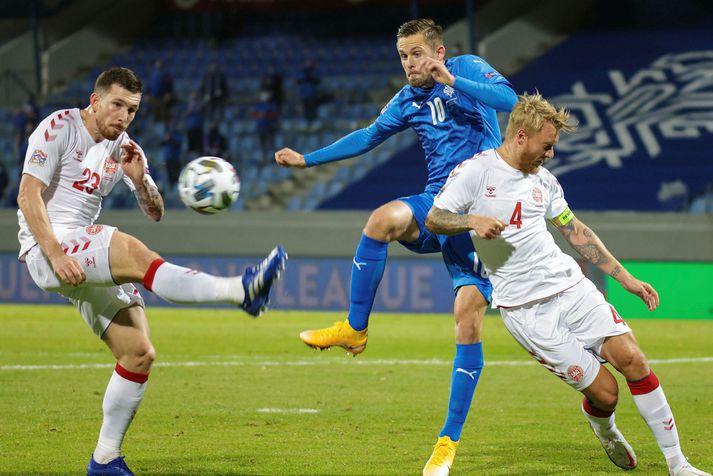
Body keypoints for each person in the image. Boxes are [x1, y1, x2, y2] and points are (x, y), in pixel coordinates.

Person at [16, 67, 288, 476]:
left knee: (138, 353)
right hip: (50, 247)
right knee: (134, 253)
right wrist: (55, 253)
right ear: (95, 101)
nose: (124, 117)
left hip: (79, 254)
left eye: (132, 109)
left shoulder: (122, 146)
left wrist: (141, 182)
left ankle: (105, 460)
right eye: (117, 106)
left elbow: (155, 213)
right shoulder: (59, 127)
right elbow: (26, 194)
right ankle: (240, 290)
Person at [275, 18, 517, 475]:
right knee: (381, 220)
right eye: (403, 56)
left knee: (467, 323)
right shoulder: (408, 99)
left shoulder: (466, 68)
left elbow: (511, 102)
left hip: (485, 210)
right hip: (437, 209)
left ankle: (447, 442)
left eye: (417, 54)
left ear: (439, 52)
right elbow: (367, 137)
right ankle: (355, 327)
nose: (410, 64)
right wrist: (307, 159)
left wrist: (452, 79)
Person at [426, 92, 710, 476]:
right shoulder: (476, 173)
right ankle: (604, 427)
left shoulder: (544, 181)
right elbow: (435, 217)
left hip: (571, 289)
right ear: (522, 136)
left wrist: (625, 278)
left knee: (634, 360)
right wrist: (470, 221)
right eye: (547, 146)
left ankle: (679, 465)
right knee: (606, 394)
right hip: (525, 312)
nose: (551, 154)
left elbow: (575, 232)